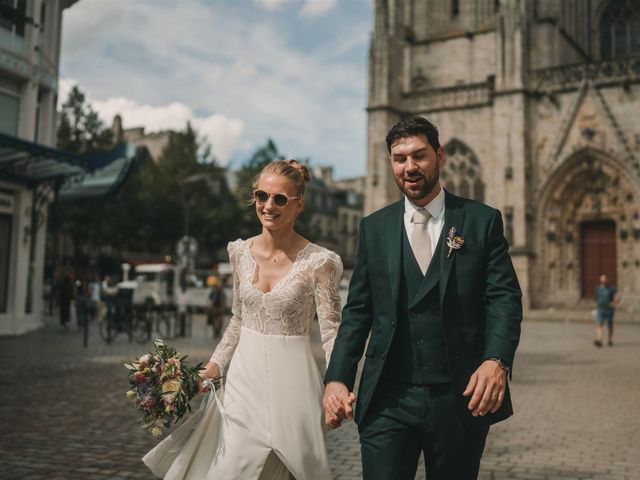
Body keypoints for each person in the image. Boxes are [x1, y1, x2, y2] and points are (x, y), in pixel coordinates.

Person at [323, 116, 523, 480]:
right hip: (387, 398)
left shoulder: (481, 221)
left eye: (419, 156)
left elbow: (504, 299)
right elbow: (358, 312)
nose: (409, 167)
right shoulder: (373, 228)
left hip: (459, 397)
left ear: (440, 156)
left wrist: (497, 360)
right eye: (400, 158)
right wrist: (337, 378)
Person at [143, 159, 343, 479]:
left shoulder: (322, 262)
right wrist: (213, 366)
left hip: (295, 385)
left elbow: (332, 332)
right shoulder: (239, 252)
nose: (268, 205)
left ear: (299, 204)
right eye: (261, 196)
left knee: (294, 470)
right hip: (242, 384)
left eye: (279, 199)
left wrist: (338, 384)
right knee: (232, 467)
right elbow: (238, 320)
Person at [594, 274, 619, 347]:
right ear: (600, 280)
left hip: (609, 309)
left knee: (610, 325)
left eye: (604, 278)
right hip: (600, 308)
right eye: (602, 278)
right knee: (599, 324)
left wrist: (614, 302)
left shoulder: (611, 288)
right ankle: (599, 340)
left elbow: (617, 297)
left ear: (607, 280)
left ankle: (609, 339)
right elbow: (596, 298)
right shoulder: (597, 288)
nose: (603, 280)